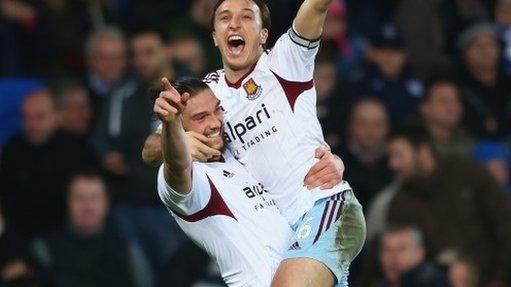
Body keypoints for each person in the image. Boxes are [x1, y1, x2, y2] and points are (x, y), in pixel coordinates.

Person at [147, 0, 367, 285]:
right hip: (288, 238)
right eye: (224, 18)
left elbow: (314, 8)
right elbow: (150, 150)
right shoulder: (208, 96)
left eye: (246, 17)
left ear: (263, 34)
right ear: (214, 37)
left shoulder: (285, 62)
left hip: (323, 204)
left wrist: (334, 160)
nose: (234, 24)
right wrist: (178, 140)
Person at [155, 77, 293, 286]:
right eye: (201, 117)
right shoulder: (191, 179)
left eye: (217, 110)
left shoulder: (237, 154)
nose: (215, 122)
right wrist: (171, 125)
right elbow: (177, 164)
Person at [385, 123, 511, 286]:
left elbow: (505, 222)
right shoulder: (400, 204)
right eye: (390, 157)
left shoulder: (468, 174)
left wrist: (500, 279)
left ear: (423, 151)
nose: (392, 164)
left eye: (399, 155)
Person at [0, 89, 96, 248]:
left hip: (70, 236)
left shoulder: (77, 148)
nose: (31, 124)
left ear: (56, 116)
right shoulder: (12, 150)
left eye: (39, 117)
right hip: (23, 237)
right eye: (26, 117)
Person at [31, 171, 151, 287]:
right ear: (67, 202)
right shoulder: (45, 250)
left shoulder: (127, 250)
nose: (88, 206)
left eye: (95, 198)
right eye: (79, 198)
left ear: (107, 203)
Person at [336, 98, 392, 210]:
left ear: (388, 127)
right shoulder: (334, 162)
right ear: (350, 126)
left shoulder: (396, 164)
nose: (370, 130)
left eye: (378, 124)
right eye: (362, 123)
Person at [419, 76, 475, 159]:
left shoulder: (471, 141)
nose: (452, 106)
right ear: (425, 108)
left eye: (456, 100)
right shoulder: (415, 144)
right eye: (443, 100)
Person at [375, 226, 448, 287]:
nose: (393, 256)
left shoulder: (432, 281)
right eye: (387, 249)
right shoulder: (380, 283)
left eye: (401, 249)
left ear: (420, 253)